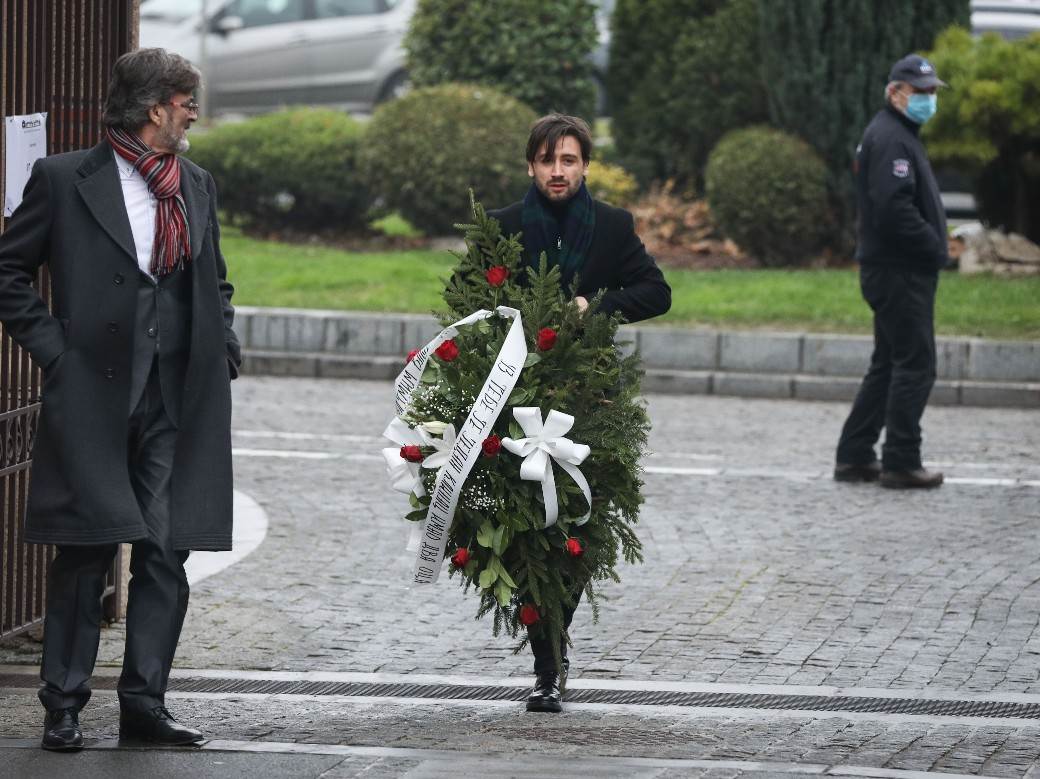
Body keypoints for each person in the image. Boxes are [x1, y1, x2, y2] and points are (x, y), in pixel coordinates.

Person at [0, 48, 240, 751]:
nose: (194, 114)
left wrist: (223, 343)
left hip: (176, 396)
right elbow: (9, 272)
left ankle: (144, 703)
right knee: (87, 549)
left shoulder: (196, 184)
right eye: (186, 102)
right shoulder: (64, 178)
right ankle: (63, 704)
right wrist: (57, 352)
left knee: (167, 549)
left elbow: (215, 280)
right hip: (93, 395)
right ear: (153, 107)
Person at [489, 113, 671, 713]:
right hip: (515, 394)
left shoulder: (613, 226)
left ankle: (555, 645)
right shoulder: (504, 226)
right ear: (531, 166)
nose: (558, 170)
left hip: (589, 397)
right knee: (523, 529)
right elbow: (469, 299)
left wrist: (595, 305)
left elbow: (657, 292)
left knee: (577, 528)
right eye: (547, 160)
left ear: (586, 165)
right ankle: (546, 665)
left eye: (568, 160)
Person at [834, 54, 948, 490]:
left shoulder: (896, 134)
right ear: (895, 93)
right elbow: (894, 209)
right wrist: (934, 245)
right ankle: (901, 460)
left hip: (892, 269)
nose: (928, 99)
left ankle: (855, 455)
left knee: (888, 363)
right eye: (920, 91)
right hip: (900, 270)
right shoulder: (891, 138)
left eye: (932, 91)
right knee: (916, 364)